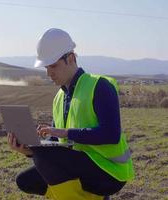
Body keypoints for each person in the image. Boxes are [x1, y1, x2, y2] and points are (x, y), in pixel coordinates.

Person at [7, 28, 134, 200]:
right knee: (25, 180)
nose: (48, 73)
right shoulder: (59, 98)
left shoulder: (100, 86)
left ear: (71, 58)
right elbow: (55, 146)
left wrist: (66, 133)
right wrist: (29, 150)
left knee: (43, 155)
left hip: (110, 172)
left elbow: (111, 135)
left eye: (53, 66)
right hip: (80, 167)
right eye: (46, 67)